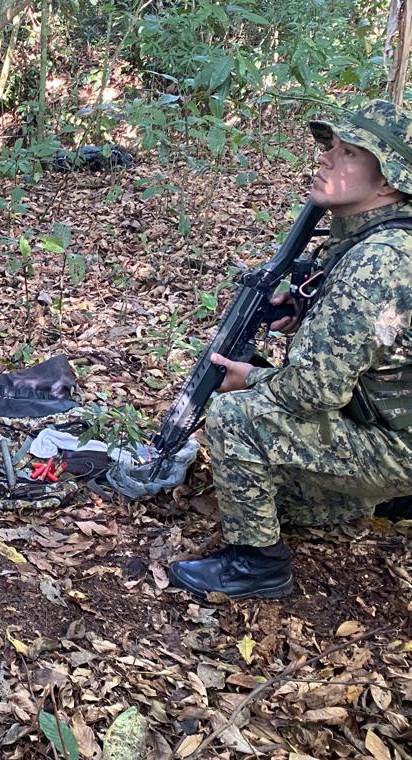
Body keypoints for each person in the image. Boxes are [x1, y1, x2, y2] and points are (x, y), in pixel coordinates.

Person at [169, 99, 412, 599]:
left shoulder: (380, 260)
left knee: (237, 414)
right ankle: (385, 500)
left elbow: (314, 390)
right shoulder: (374, 239)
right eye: (329, 147)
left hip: (398, 444)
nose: (325, 159)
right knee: (268, 496)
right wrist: (309, 312)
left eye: (348, 154)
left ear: (388, 180)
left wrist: (249, 378)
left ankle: (257, 566)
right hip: (392, 427)